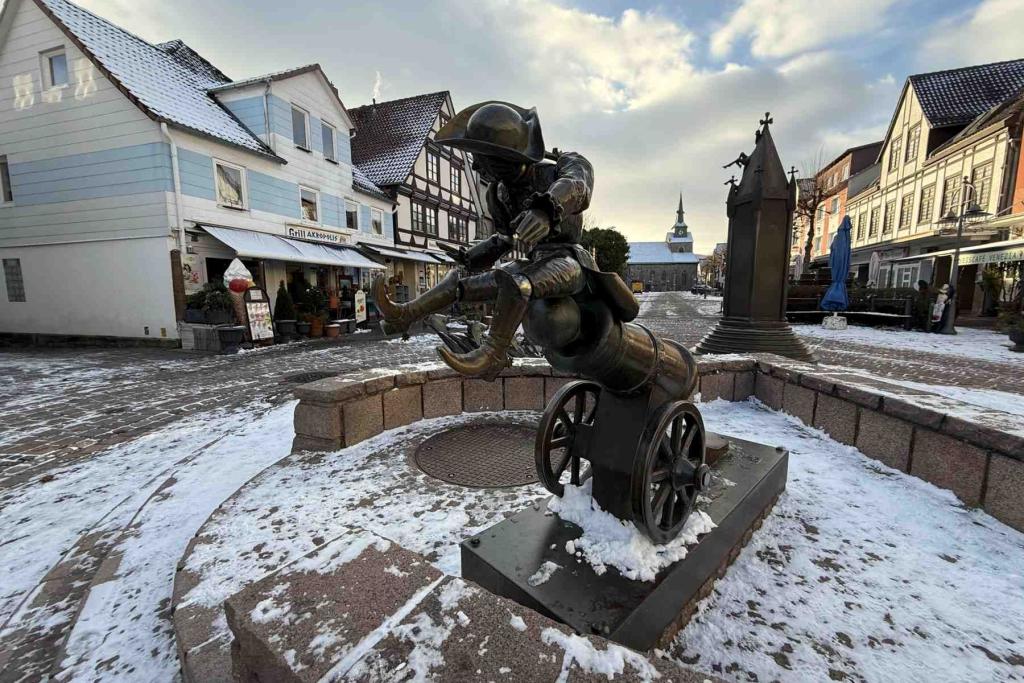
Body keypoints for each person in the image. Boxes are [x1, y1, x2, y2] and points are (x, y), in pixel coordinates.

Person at [373, 101, 636, 380]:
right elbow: (504, 239)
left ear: (503, 158)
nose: (475, 164)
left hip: (568, 262)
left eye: (481, 157)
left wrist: (547, 208)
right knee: (461, 283)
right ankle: (405, 314)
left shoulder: (554, 172)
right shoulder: (499, 194)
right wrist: (473, 256)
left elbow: (578, 185)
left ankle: (493, 354)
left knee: (517, 282)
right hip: (536, 262)